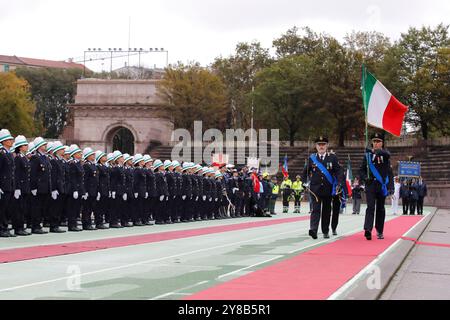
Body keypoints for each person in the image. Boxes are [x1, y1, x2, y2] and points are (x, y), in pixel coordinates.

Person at [302, 136, 343, 239]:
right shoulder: (312, 158)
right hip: (315, 190)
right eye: (319, 144)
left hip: (328, 189)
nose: (321, 146)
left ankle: (325, 230)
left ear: (327, 146)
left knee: (326, 210)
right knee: (315, 210)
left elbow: (339, 171)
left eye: (323, 144)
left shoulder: (332, 157)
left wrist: (338, 182)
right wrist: (304, 182)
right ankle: (313, 230)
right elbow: (305, 172)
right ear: (316, 146)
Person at [359, 132, 394, 240]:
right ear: (372, 143)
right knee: (370, 207)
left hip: (381, 185)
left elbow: (389, 171)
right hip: (370, 185)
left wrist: (390, 186)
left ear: (382, 143)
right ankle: (368, 230)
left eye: (378, 141)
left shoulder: (384, 155)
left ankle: (379, 230)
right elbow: (361, 170)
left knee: (380, 208)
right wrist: (365, 178)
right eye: (374, 141)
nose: (376, 143)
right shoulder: (368, 156)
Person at [29, 137, 52, 234]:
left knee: (42, 207)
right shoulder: (35, 157)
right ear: (38, 147)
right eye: (43, 145)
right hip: (38, 187)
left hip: (45, 187)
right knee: (36, 208)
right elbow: (33, 174)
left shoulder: (45, 157)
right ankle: (35, 226)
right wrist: (33, 187)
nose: (45, 146)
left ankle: (39, 224)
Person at [0, 129, 16, 237]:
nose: (11, 141)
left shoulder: (9, 154)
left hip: (9, 185)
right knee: (1, 208)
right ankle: (1, 228)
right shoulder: (1, 154)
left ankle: (5, 227)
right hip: (3, 185)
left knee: (7, 208)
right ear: (4, 141)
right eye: (9, 139)